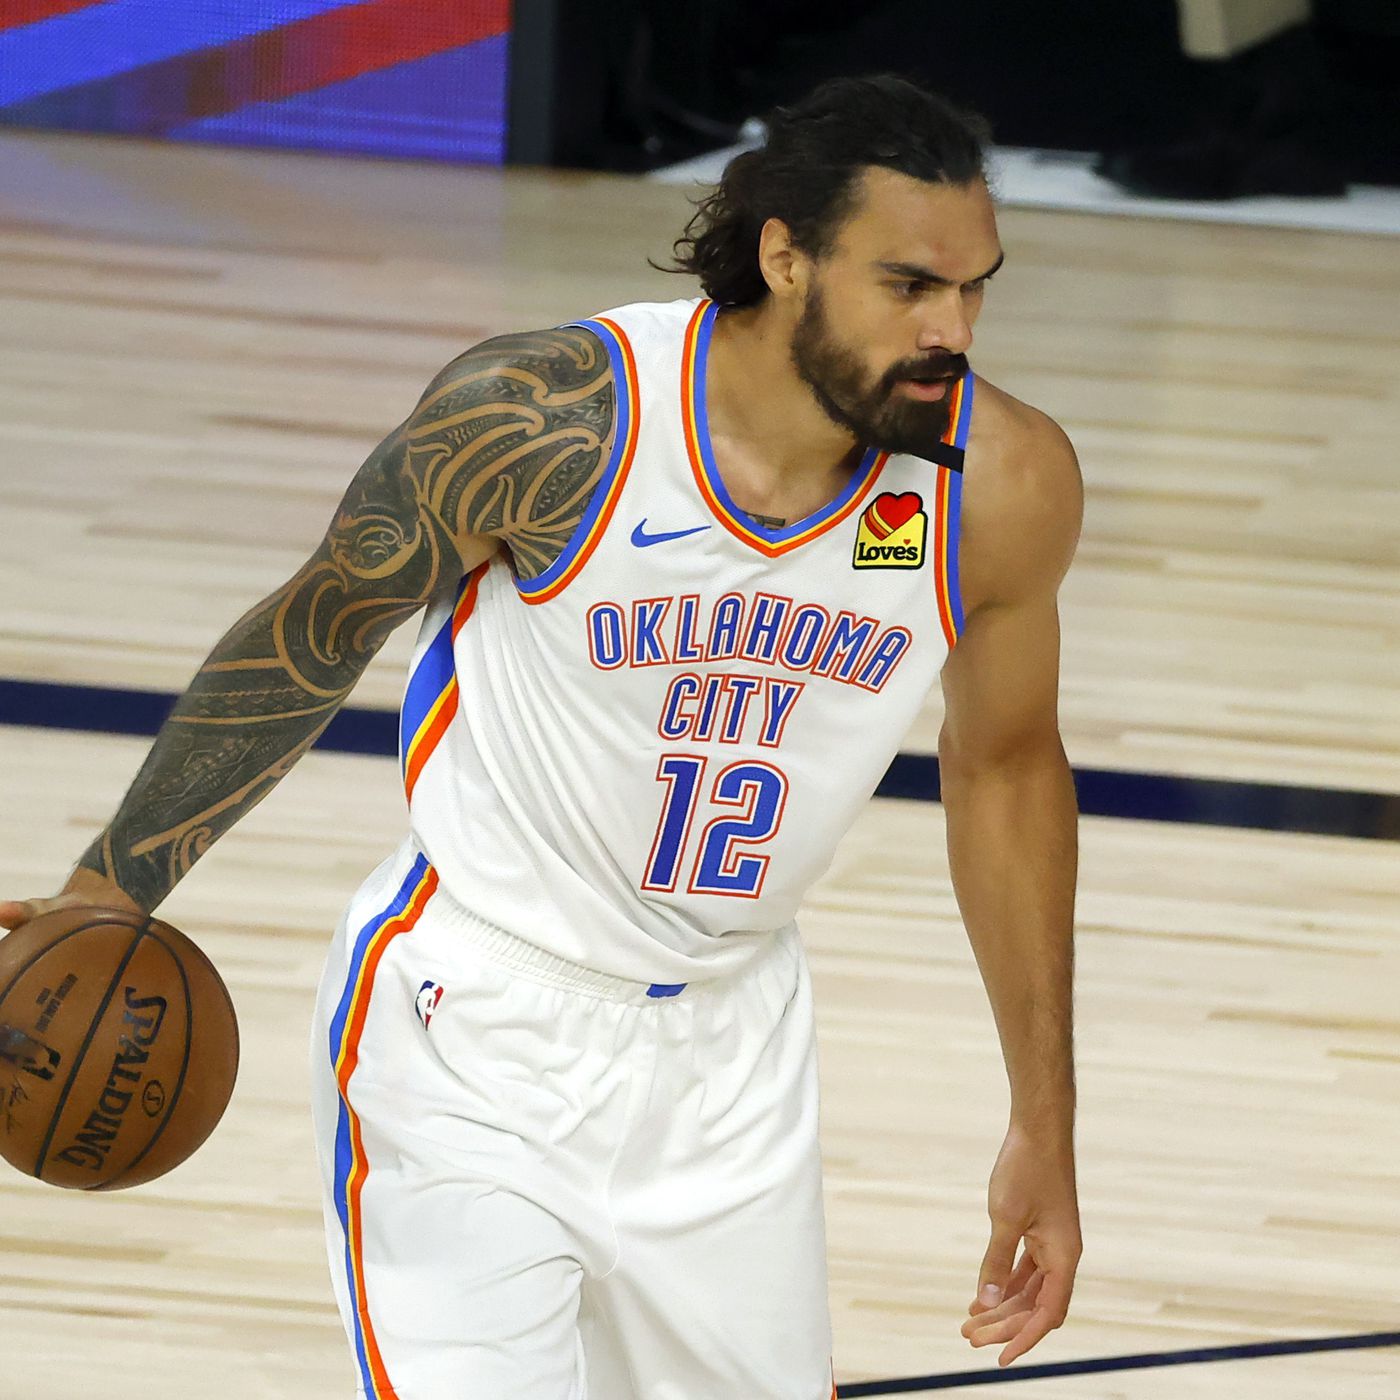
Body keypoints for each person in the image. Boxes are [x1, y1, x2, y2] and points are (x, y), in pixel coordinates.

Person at [0, 74, 1083, 1399]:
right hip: (476, 1030)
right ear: (784, 255)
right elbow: (320, 628)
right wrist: (112, 885)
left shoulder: (1001, 486)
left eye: (976, 289)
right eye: (909, 286)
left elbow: (1009, 769)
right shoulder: (551, 420)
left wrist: (1045, 1118)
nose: (952, 331)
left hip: (733, 1065)